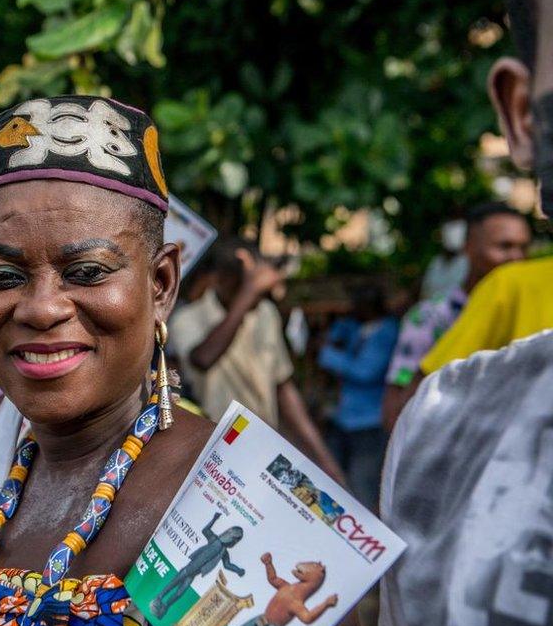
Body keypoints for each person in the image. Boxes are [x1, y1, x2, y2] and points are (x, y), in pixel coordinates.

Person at [0, 95, 359, 626]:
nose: (40, 308)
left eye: (87, 271)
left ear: (162, 284)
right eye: (3, 276)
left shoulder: (257, 507)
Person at [379, 0, 553, 626]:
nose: (511, 254)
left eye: (518, 244)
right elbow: (418, 390)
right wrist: (405, 473)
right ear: (520, 112)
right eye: (499, 245)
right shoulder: (456, 321)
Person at [168, 239, 345, 483]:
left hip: (262, 448)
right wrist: (248, 293)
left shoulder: (266, 314)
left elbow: (282, 386)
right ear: (221, 279)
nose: (256, 294)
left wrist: (324, 461)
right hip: (213, 453)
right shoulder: (187, 319)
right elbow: (203, 358)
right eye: (245, 286)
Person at [382, 202, 530, 430]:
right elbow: (397, 405)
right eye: (504, 246)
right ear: (468, 247)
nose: (516, 258)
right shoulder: (430, 316)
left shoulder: (530, 311)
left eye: (523, 248)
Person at [318, 285, 398, 510]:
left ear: (370, 307)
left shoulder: (387, 332)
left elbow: (365, 371)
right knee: (333, 482)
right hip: (343, 419)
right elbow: (335, 334)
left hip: (368, 422)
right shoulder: (356, 327)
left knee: (362, 486)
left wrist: (328, 354)